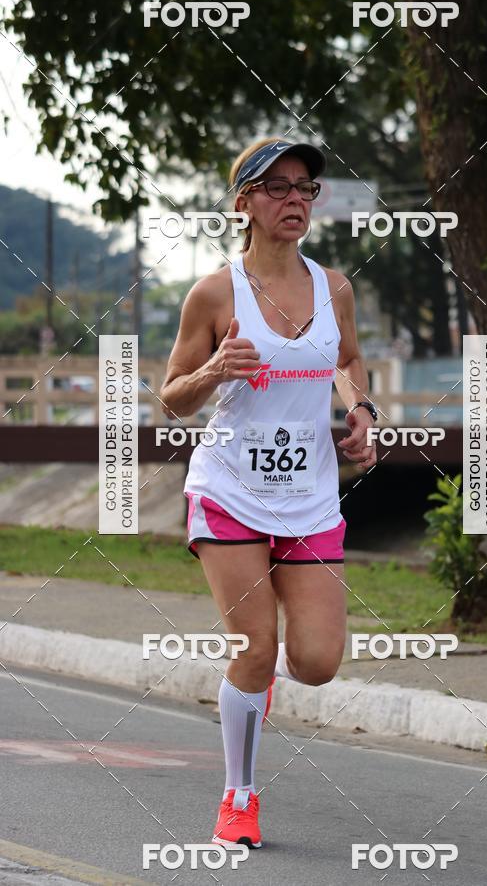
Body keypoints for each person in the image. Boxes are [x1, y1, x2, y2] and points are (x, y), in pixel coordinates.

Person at [159, 136, 377, 849]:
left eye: (306, 189)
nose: (295, 200)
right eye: (278, 187)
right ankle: (239, 795)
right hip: (229, 493)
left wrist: (360, 409)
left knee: (315, 663)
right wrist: (216, 369)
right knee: (256, 647)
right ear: (244, 201)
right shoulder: (215, 293)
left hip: (309, 498)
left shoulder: (334, 286)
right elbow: (172, 399)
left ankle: (256, 682)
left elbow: (347, 359)